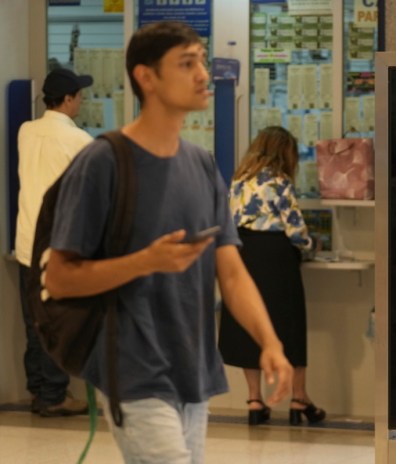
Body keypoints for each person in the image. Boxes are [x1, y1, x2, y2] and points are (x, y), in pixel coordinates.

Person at [43, 21, 293, 463]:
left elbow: (232, 274)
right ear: (146, 77)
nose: (202, 74)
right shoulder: (104, 161)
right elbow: (60, 278)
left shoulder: (201, 166)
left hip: (193, 369)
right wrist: (144, 261)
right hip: (131, 367)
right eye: (186, 63)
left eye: (201, 60)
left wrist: (269, 342)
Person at [218, 126, 326, 426]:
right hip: (276, 258)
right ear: (285, 153)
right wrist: (312, 246)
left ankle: (254, 400)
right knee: (289, 327)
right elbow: (295, 231)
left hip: (242, 254)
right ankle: (298, 398)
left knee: (248, 326)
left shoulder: (238, 182)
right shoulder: (280, 183)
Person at [15, 68, 93, 417]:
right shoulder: (79, 141)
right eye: (79, 95)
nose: (82, 101)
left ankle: (38, 390)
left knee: (34, 319)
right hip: (57, 245)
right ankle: (54, 396)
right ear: (66, 100)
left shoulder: (26, 132)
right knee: (56, 321)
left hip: (26, 241)